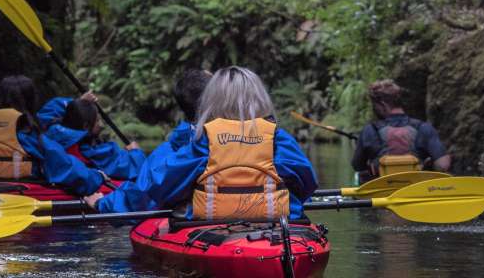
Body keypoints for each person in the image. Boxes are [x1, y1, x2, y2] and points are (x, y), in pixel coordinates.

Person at [87, 66, 317, 222]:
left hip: (211, 225)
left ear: (213, 99)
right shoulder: (277, 136)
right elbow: (308, 184)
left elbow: (157, 187)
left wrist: (104, 204)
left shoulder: (204, 140)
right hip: (277, 227)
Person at [0, 75, 106, 196]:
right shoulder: (33, 140)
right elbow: (67, 170)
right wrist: (97, 177)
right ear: (31, 101)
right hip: (25, 191)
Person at [88, 68, 212, 212]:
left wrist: (101, 203)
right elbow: (144, 190)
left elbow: (144, 190)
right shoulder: (231, 136)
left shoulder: (176, 149)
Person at [351, 79, 450, 182]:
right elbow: (443, 165)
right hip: (415, 189)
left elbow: (357, 166)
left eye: (374, 106)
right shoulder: (423, 128)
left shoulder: (369, 130)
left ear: (382, 104)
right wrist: (427, 167)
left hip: (381, 192)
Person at [44, 97, 145, 180]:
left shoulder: (51, 132)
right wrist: (136, 152)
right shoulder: (90, 152)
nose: (101, 125)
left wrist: (79, 104)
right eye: (97, 120)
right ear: (86, 126)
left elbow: (53, 110)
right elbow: (135, 167)